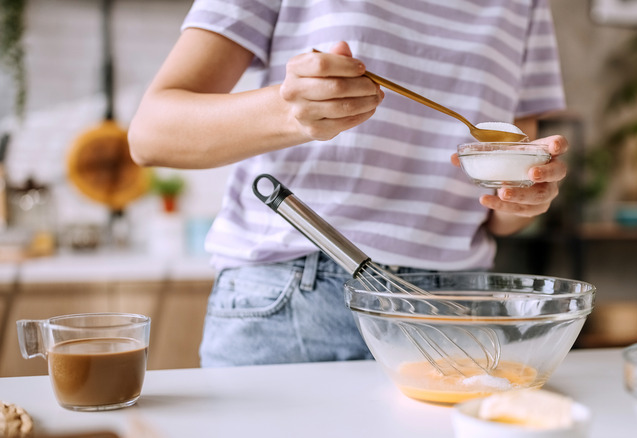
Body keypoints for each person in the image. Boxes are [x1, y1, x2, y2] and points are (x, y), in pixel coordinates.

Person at [128, 0, 569, 367]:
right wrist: (289, 112)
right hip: (294, 299)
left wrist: (524, 197)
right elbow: (150, 134)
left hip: (455, 308)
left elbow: (504, 209)